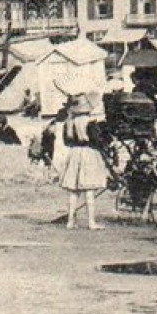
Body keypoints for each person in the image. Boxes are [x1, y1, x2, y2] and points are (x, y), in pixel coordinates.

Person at [59, 95, 108, 229]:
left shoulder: (69, 123)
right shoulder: (91, 123)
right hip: (88, 153)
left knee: (73, 191)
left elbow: (66, 142)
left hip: (74, 153)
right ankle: (91, 222)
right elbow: (97, 140)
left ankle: (70, 221)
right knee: (89, 190)